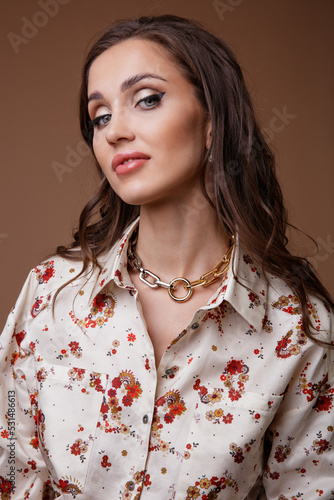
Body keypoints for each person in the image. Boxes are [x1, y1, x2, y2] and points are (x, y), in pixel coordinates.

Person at [0, 14, 333, 500]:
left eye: (148, 99)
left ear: (212, 121)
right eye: (101, 116)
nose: (115, 132)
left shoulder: (297, 327)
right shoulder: (51, 293)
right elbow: (12, 471)